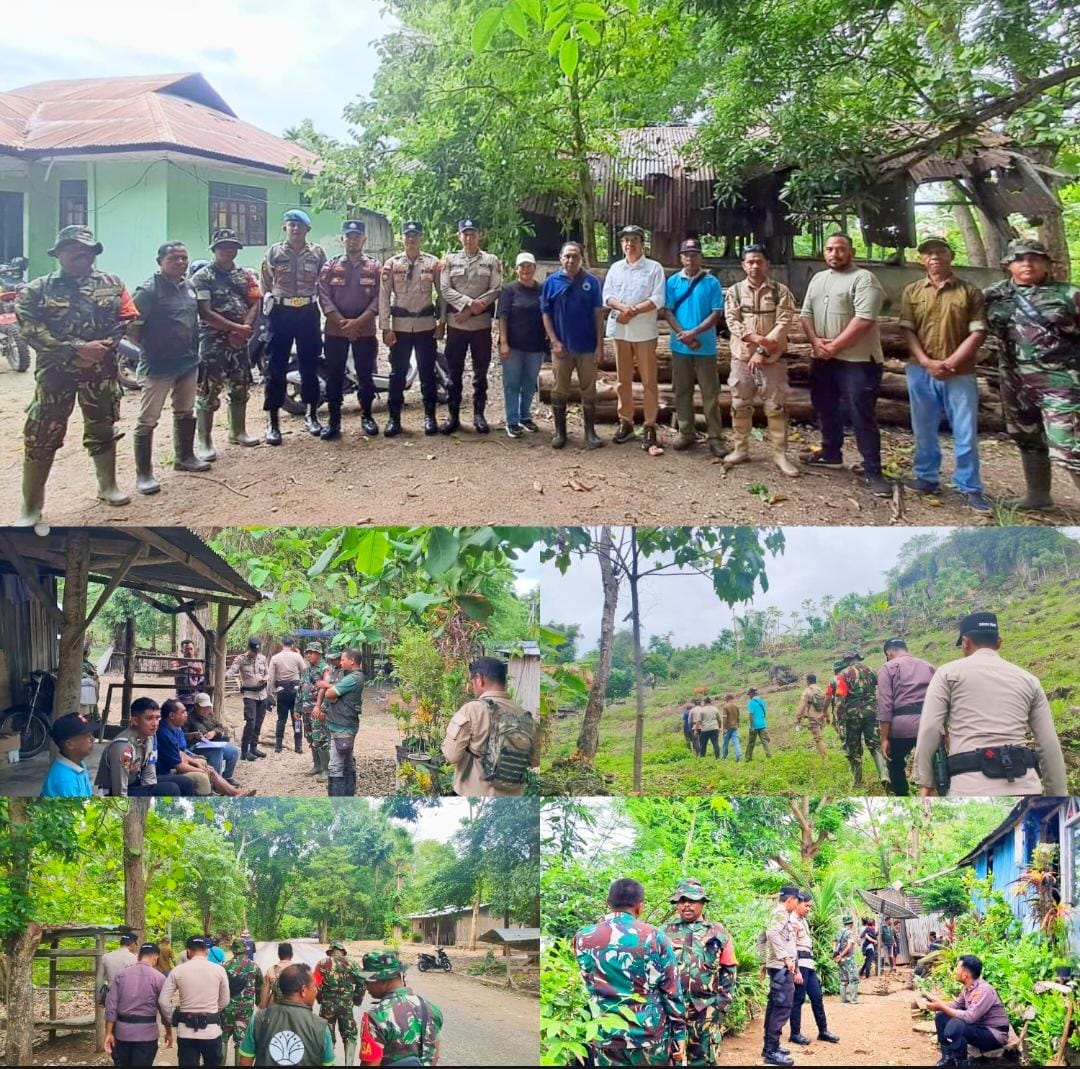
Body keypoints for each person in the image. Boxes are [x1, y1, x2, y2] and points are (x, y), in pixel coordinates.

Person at [14, 224, 138, 525]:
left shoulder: (113, 283)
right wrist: (76, 349)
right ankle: (32, 507)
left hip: (102, 371)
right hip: (56, 374)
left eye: (87, 250)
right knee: (42, 433)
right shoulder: (36, 289)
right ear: (58, 254)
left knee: (103, 425)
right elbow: (29, 328)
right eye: (72, 250)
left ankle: (107, 487)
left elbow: (125, 319)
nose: (81, 255)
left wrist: (102, 348)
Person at [913, 611, 1067, 796]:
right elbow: (1048, 743)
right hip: (1025, 786)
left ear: (965, 642)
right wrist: (1057, 795)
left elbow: (930, 728)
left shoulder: (948, 674)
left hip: (968, 788)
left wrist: (926, 782)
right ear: (998, 642)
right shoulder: (1029, 680)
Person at [983, 237, 1080, 510]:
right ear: (1008, 265)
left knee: (1070, 445)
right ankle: (1038, 496)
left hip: (1061, 382)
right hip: (1014, 380)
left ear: (1047, 264)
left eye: (1035, 258)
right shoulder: (993, 295)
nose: (1027, 264)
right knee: (1027, 436)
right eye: (1019, 259)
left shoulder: (1069, 295)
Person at [899, 237, 990, 511]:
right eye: (928, 253)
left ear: (951, 256)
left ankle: (970, 486)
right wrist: (927, 361)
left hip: (959, 373)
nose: (934, 257)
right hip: (920, 370)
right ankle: (926, 477)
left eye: (940, 252)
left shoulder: (970, 292)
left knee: (965, 432)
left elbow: (978, 332)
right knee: (924, 428)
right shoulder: (912, 291)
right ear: (921, 260)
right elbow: (907, 330)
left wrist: (950, 362)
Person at [799, 233, 891, 496]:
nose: (834, 254)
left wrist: (834, 346)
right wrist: (816, 343)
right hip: (823, 358)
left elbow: (864, 320)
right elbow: (805, 314)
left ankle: (873, 470)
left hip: (858, 362)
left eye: (840, 249)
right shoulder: (818, 279)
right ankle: (831, 453)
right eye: (829, 249)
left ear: (850, 252)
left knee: (861, 414)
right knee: (825, 406)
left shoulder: (864, 279)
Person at [574, 877, 686, 1065]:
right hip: (649, 1036)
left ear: (608, 903)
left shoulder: (584, 937)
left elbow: (586, 984)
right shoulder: (654, 936)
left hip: (605, 1034)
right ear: (640, 906)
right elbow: (672, 990)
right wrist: (680, 1034)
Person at [129, 240, 209, 495]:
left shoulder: (188, 286)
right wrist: (155, 347)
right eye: (174, 258)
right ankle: (144, 474)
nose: (180, 262)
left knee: (185, 412)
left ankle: (184, 457)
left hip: (187, 361)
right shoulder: (148, 290)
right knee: (148, 419)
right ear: (160, 262)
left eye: (184, 258)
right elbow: (133, 329)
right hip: (158, 366)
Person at [724, 243, 799, 474]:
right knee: (740, 404)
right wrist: (754, 338)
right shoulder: (734, 291)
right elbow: (731, 320)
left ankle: (780, 455)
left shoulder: (780, 291)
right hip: (741, 358)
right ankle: (741, 449)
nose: (754, 265)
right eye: (750, 262)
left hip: (772, 359)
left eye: (759, 261)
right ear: (743, 265)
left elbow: (785, 321)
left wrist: (762, 350)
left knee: (775, 406)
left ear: (767, 264)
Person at [190, 227, 262, 461]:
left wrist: (245, 329)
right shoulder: (202, 277)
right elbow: (205, 312)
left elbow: (254, 302)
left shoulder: (246, 275)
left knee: (241, 384)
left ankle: (237, 431)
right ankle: (204, 441)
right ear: (214, 249)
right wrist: (235, 329)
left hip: (240, 340)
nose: (228, 250)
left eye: (232, 246)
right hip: (213, 341)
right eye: (223, 247)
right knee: (209, 389)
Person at [260, 209, 327, 443]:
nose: (295, 229)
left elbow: (324, 281)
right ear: (284, 228)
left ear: (307, 230)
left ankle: (312, 414)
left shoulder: (317, 253)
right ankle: (273, 421)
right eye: (290, 224)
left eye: (299, 225)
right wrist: (271, 299)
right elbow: (265, 282)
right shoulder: (274, 253)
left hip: (308, 312)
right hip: (281, 313)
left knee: (310, 365)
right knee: (276, 367)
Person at [317, 219, 384, 439]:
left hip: (364, 330)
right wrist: (341, 321)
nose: (353, 240)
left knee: (365, 375)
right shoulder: (331, 266)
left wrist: (358, 322)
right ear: (342, 239)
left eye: (357, 237)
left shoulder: (375, 267)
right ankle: (334, 421)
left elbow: (379, 298)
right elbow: (323, 296)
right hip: (336, 331)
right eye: (349, 236)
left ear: (364, 239)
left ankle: (367, 416)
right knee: (335, 376)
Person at [603, 225, 667, 452]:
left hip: (644, 332)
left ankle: (649, 425)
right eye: (626, 240)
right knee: (623, 380)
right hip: (620, 332)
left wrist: (632, 311)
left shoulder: (654, 268)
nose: (629, 244)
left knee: (649, 381)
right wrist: (623, 309)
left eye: (634, 240)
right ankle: (626, 422)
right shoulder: (616, 268)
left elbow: (657, 298)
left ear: (643, 243)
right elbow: (607, 295)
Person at [661, 878, 737, 1065]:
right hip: (671, 1010)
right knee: (671, 1058)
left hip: (706, 1009)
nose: (686, 905)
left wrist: (721, 1004)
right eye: (682, 900)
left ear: (703, 903)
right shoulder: (663, 932)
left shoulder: (717, 932)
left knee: (704, 1060)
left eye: (692, 900)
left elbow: (729, 968)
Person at [663, 238, 727, 458]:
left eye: (694, 254)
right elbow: (668, 311)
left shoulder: (711, 283)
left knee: (710, 394)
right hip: (680, 347)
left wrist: (695, 332)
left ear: (700, 257)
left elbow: (716, 312)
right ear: (681, 257)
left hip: (705, 347)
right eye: (686, 254)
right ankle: (686, 431)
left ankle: (715, 437)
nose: (690, 258)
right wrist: (684, 334)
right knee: (681, 391)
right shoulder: (672, 282)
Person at [379, 220, 444, 436]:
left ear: (421, 237)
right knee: (397, 374)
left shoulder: (433, 263)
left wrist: (442, 322)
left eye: (415, 235)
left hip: (426, 326)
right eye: (407, 235)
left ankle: (429, 417)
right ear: (402, 238)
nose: (411, 239)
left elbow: (442, 294)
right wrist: (385, 328)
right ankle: (394, 419)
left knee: (427, 373)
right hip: (401, 327)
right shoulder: (391, 264)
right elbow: (383, 296)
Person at [441, 656, 539, 797]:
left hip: (472, 795)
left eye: (472, 681)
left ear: (480, 679)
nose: (472, 686)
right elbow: (534, 761)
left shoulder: (472, 710)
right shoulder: (525, 716)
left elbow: (452, 755)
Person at [439, 218, 502, 434]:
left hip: (480, 326)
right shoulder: (449, 260)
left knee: (480, 372)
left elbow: (495, 289)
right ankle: (453, 416)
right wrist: (467, 304)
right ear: (459, 236)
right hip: (457, 326)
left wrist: (473, 309)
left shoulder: (491, 260)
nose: (469, 237)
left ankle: (479, 415)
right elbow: (445, 289)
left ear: (480, 235)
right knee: (453, 372)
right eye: (465, 234)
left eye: (472, 233)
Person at [541, 241, 605, 449]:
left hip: (587, 346)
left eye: (575, 256)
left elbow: (598, 315)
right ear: (560, 258)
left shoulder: (592, 282)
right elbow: (545, 314)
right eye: (567, 256)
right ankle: (560, 433)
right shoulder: (551, 282)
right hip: (562, 347)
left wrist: (600, 345)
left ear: (581, 259)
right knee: (560, 389)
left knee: (589, 389)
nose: (571, 260)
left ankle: (590, 432)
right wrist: (554, 341)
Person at [357, 949, 443, 1067]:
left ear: (381, 980)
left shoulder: (377, 1017)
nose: (365, 985)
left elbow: (370, 1064)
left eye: (367, 979)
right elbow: (435, 1056)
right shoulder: (432, 1009)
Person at [96, 698, 196, 797]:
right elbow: (119, 789)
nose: (155, 723)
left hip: (136, 782)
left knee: (185, 782)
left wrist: (151, 794)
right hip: (114, 793)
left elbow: (149, 773)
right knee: (170, 789)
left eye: (157, 718)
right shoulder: (123, 748)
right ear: (135, 720)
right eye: (149, 718)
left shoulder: (150, 738)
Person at [239, 963, 335, 1067]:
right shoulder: (320, 1026)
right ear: (303, 990)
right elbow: (328, 1064)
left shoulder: (259, 1018)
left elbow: (245, 1062)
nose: (316, 991)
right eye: (314, 987)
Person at [496, 251, 548, 438]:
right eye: (522, 266)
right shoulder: (509, 290)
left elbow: (547, 314)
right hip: (513, 345)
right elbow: (502, 316)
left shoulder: (542, 289)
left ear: (535, 268)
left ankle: (525, 416)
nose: (526, 269)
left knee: (529, 383)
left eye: (529, 266)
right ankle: (512, 420)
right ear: (516, 269)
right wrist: (504, 342)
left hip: (535, 345)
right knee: (512, 383)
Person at [156, 698, 253, 797]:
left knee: (208, 766)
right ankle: (226, 793)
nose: (186, 714)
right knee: (204, 773)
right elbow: (179, 765)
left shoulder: (175, 727)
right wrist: (201, 770)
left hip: (181, 760)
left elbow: (180, 751)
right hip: (167, 771)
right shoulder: (165, 734)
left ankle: (232, 792)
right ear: (172, 716)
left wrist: (195, 759)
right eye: (183, 712)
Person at [158, 936, 230, 1068]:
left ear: (188, 951)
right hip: (211, 1031)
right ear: (206, 951)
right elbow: (225, 1000)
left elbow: (163, 1001)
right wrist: (213, 1011)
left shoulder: (178, 971)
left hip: (186, 1031)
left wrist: (173, 1018)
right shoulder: (219, 970)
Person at [926, 954, 1009, 1067]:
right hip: (978, 1028)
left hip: (994, 1035)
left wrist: (941, 1006)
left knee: (957, 1025)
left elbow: (970, 1017)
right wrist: (938, 1003)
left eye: (957, 968)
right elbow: (956, 1004)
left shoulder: (984, 990)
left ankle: (962, 1063)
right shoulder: (968, 988)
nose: (955, 971)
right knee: (941, 1016)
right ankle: (948, 1058)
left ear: (965, 974)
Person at [878, 638, 935, 796]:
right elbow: (940, 699)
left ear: (889, 653)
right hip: (929, 724)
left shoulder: (888, 668)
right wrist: (945, 731)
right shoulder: (928, 666)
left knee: (894, 763)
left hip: (901, 728)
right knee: (936, 766)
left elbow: (885, 706)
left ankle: (902, 794)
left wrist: (884, 738)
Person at [104, 941, 173, 1067]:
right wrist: (168, 1031)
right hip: (146, 1035)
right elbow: (164, 1007)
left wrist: (108, 1033)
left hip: (122, 1034)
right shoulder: (159, 978)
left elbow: (111, 1006)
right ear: (155, 958)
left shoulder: (121, 975)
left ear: (138, 956)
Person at [828, 650, 889, 789]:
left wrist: (837, 720)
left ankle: (857, 782)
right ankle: (884, 774)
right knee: (875, 745)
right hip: (871, 714)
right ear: (858, 658)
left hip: (851, 717)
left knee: (853, 749)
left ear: (846, 660)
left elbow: (839, 699)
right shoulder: (871, 670)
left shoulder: (842, 675)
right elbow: (882, 689)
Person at [788, 891, 839, 1048]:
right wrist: (796, 971)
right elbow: (791, 948)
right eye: (806, 905)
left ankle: (823, 1031)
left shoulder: (803, 921)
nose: (809, 909)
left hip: (809, 965)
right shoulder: (792, 921)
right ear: (798, 904)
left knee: (817, 996)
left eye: (810, 906)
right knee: (798, 999)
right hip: (800, 966)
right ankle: (795, 1033)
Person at [315, 646, 365, 797]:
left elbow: (330, 692)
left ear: (352, 661)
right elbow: (333, 694)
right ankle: (348, 796)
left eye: (343, 659)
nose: (341, 662)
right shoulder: (350, 676)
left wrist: (329, 689)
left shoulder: (353, 678)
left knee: (335, 765)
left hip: (342, 727)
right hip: (343, 724)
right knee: (348, 761)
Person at [762, 886, 801, 1066]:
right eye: (797, 901)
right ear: (791, 899)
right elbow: (770, 933)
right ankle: (771, 1050)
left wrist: (763, 961)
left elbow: (763, 937)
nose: (797, 904)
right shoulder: (780, 913)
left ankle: (770, 1046)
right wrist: (785, 957)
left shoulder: (779, 913)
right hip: (781, 968)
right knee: (782, 1005)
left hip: (778, 966)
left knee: (775, 1004)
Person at [314, 941, 366, 1065]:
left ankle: (329, 1063)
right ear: (343, 952)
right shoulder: (352, 964)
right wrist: (356, 999)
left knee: (326, 1034)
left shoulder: (322, 964)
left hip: (327, 1006)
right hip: (346, 1007)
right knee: (349, 1035)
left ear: (330, 952)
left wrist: (321, 999)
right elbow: (362, 982)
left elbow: (316, 984)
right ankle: (349, 1064)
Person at [222, 938, 263, 1066]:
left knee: (223, 1038)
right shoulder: (254, 966)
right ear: (245, 949)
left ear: (232, 950)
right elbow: (259, 987)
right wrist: (258, 1002)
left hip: (227, 1007)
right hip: (245, 1009)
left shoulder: (224, 966)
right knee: (241, 1040)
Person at [228, 638, 270, 763]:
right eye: (253, 651)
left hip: (262, 694)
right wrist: (226, 675)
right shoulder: (241, 659)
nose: (255, 654)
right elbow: (232, 669)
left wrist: (265, 678)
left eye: (257, 651)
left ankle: (254, 748)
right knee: (250, 722)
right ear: (249, 649)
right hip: (249, 695)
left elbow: (268, 673)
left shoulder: (262, 658)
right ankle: (245, 751)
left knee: (258, 722)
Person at [188, 693, 241, 785]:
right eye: (203, 707)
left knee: (234, 751)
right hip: (196, 746)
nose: (206, 710)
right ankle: (216, 782)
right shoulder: (188, 718)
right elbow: (182, 736)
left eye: (208, 707)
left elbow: (220, 727)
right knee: (217, 752)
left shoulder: (210, 714)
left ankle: (227, 778)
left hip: (213, 743)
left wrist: (214, 732)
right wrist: (194, 736)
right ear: (196, 706)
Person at [40, 712, 95, 797]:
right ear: (70, 744)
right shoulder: (65, 780)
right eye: (87, 736)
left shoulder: (79, 764)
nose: (93, 739)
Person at [268, 636, 306, 754]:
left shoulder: (275, 658)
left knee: (281, 719)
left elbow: (270, 676)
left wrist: (271, 691)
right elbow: (304, 670)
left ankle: (278, 746)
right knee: (297, 718)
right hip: (296, 690)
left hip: (282, 690)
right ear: (293, 644)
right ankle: (298, 746)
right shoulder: (297, 656)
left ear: (282, 644)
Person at [299, 642, 331, 781]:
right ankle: (317, 766)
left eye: (311, 652)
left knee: (321, 739)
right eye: (307, 653)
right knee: (311, 738)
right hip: (306, 710)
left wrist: (322, 707)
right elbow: (300, 690)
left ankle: (326, 769)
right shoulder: (306, 670)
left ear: (319, 653)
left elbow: (328, 690)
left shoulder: (325, 668)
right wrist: (297, 709)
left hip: (317, 710)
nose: (308, 655)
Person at [793, 674, 828, 759]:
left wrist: (797, 717)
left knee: (818, 738)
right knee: (818, 737)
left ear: (808, 681)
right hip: (821, 717)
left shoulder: (807, 691)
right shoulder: (821, 690)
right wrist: (828, 716)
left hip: (813, 718)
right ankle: (822, 755)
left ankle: (824, 758)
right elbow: (825, 704)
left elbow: (802, 705)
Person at [173, 639, 205, 715]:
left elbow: (201, 680)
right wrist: (189, 667)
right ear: (182, 651)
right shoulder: (177, 662)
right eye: (186, 649)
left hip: (194, 697)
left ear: (194, 650)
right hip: (181, 697)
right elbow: (173, 670)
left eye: (191, 649)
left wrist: (199, 673)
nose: (189, 651)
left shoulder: (198, 663)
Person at [259, 943, 295, 1009]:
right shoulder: (298, 970)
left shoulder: (271, 970)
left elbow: (265, 994)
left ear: (279, 955)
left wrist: (263, 1009)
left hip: (274, 1008)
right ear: (291, 955)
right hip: (293, 1009)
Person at [833, 916, 859, 1004]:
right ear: (851, 923)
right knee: (854, 978)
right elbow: (849, 946)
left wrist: (837, 955)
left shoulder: (839, 932)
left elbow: (834, 944)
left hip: (840, 960)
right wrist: (842, 955)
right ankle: (853, 999)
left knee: (843, 980)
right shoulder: (849, 933)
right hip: (848, 959)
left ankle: (843, 1000)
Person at [746, 688, 772, 759]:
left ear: (752, 693)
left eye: (749, 694)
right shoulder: (762, 701)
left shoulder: (751, 702)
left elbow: (751, 715)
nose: (749, 696)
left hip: (754, 725)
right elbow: (764, 712)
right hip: (763, 724)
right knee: (765, 742)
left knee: (751, 743)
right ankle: (769, 756)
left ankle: (748, 758)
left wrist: (752, 726)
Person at [721, 694, 743, 761]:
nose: (724, 699)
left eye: (725, 698)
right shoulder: (736, 706)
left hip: (728, 727)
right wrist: (738, 725)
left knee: (725, 743)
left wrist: (724, 728)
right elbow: (738, 717)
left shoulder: (725, 707)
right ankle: (739, 756)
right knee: (736, 742)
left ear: (728, 698)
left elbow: (725, 719)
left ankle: (724, 756)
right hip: (735, 727)